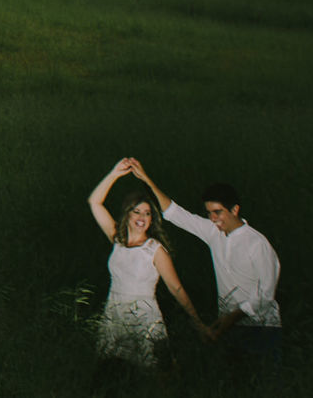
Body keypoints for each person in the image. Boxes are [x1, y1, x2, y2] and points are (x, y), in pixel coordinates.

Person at [128, 159, 282, 380]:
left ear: (235, 209)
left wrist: (232, 317)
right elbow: (176, 213)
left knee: (265, 384)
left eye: (218, 212)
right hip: (228, 328)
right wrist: (146, 179)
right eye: (209, 212)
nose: (213, 218)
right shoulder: (213, 232)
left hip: (262, 329)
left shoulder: (257, 243)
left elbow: (266, 294)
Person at [87, 159, 206, 378]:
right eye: (137, 212)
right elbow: (94, 202)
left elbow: (176, 288)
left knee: (159, 374)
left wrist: (198, 323)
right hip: (114, 312)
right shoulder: (117, 239)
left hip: (145, 315)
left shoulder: (155, 249)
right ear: (128, 214)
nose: (142, 218)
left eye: (147, 213)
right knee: (111, 373)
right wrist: (115, 173)